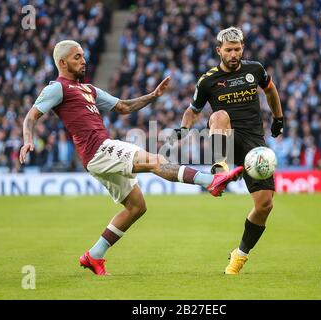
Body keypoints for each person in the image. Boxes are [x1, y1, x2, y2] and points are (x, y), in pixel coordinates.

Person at [19, 40, 243, 276]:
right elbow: (31, 117)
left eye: (83, 55)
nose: (83, 60)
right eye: (77, 57)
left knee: (136, 207)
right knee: (155, 160)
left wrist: (153, 95)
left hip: (95, 158)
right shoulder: (57, 88)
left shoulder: (89, 89)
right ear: (63, 63)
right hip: (99, 149)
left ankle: (94, 255)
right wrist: (28, 139)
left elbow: (123, 107)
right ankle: (210, 181)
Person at [175, 27, 284, 275]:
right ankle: (219, 169)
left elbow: (271, 90)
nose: (233, 54)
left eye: (237, 49)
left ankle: (240, 255)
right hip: (226, 136)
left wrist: (278, 118)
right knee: (220, 115)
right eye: (228, 50)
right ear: (219, 51)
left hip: (254, 146)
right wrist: (183, 129)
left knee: (265, 205)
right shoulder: (208, 80)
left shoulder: (255, 69)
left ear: (242, 48)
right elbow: (193, 110)